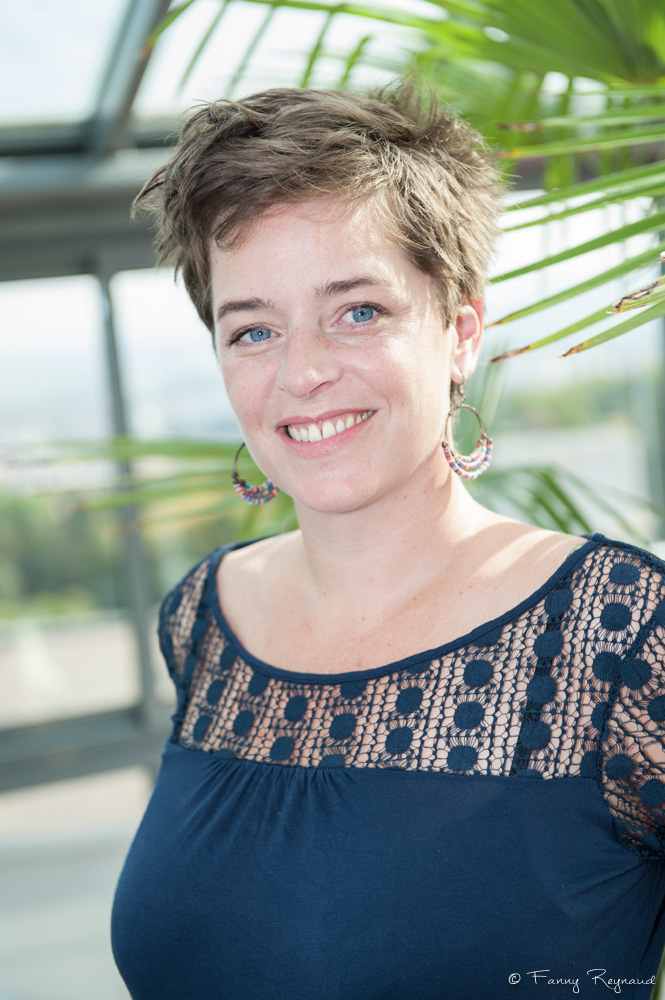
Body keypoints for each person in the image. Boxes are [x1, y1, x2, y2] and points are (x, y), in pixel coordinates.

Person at [111, 83, 665, 1000]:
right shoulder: (203, 621)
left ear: (459, 331)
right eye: (252, 329)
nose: (302, 372)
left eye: (358, 311)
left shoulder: (620, 637)